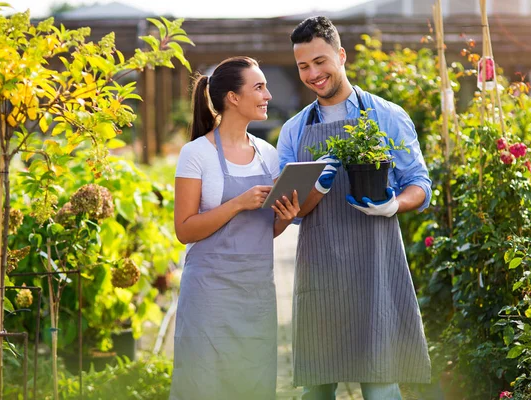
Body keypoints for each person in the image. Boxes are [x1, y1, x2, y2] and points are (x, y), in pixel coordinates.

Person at [277, 16, 432, 400]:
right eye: (303, 66)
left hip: (375, 267)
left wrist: (393, 204)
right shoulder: (294, 130)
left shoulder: (386, 116)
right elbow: (289, 210)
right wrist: (314, 187)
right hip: (320, 272)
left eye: (320, 61)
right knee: (316, 389)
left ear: (341, 55)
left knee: (380, 386)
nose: (313, 74)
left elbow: (421, 185)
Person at [170, 56, 300, 400]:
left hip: (256, 295)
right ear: (233, 98)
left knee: (254, 386)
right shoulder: (196, 154)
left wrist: (284, 218)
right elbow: (184, 230)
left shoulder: (268, 155)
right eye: (259, 87)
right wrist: (238, 203)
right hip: (209, 297)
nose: (268, 95)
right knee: (204, 385)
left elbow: (263, 230)